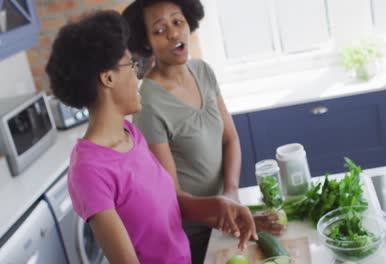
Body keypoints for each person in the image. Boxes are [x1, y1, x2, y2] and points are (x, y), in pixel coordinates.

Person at [45, 10, 257, 264]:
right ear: (108, 78)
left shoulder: (130, 135)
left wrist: (221, 205)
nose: (138, 76)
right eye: (130, 65)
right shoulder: (89, 172)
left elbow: (171, 206)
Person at [122, 1, 285, 262]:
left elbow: (230, 139)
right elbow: (172, 196)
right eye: (160, 30)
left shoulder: (203, 71)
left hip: (231, 217)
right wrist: (228, 211)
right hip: (195, 236)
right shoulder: (148, 104)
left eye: (177, 22)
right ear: (146, 43)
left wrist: (231, 193)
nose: (174, 34)